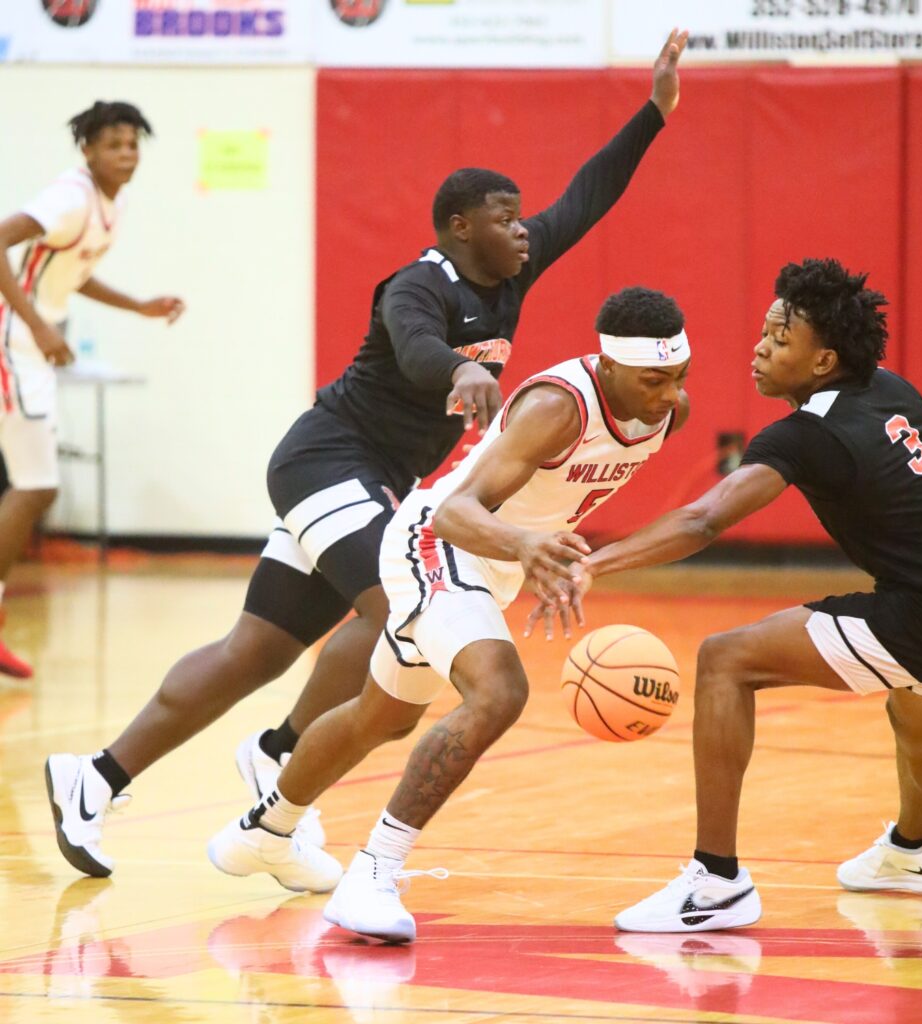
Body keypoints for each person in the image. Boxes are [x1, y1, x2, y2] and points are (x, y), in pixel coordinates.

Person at [44, 32, 691, 880]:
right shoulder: (418, 284)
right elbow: (417, 349)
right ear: (461, 228)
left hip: (369, 480)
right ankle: (279, 758)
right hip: (325, 461)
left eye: (520, 215)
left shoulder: (510, 271)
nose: (523, 229)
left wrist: (654, 112)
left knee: (258, 651)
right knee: (403, 614)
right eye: (504, 217)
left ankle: (92, 776)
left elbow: (588, 195)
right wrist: (462, 368)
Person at [546, 258, 922, 934]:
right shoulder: (891, 388)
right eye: (765, 331)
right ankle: (914, 852)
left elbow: (703, 520)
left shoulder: (809, 434)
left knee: (725, 660)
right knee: (916, 720)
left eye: (780, 338)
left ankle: (716, 883)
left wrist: (592, 561)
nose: (760, 347)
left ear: (823, 359)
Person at [205, 286, 692, 941]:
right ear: (607, 367)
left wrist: (574, 562)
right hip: (437, 541)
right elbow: (459, 511)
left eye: (679, 377)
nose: (667, 394)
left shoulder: (669, 411)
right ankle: (373, 873)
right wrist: (527, 545)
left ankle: (266, 829)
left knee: (381, 718)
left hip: (498, 564)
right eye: (653, 379)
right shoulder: (557, 407)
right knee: (499, 691)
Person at [0, 101, 185, 679]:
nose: (126, 154)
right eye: (114, 144)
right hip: (12, 341)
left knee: (36, 487)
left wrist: (138, 305)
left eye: (132, 144)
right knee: (35, 487)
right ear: (88, 150)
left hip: (30, 342)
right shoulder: (70, 197)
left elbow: (72, 274)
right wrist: (35, 325)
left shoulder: (111, 203)